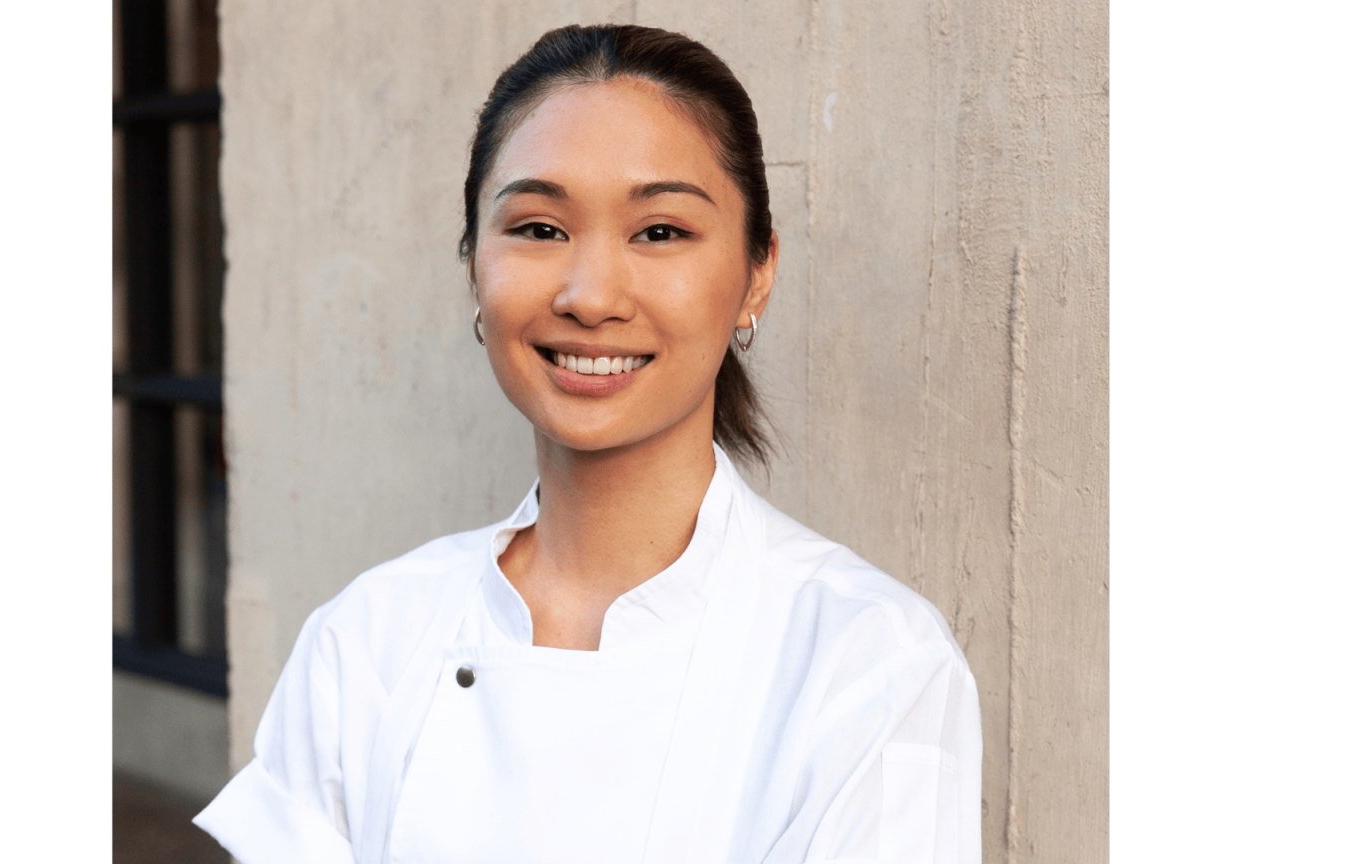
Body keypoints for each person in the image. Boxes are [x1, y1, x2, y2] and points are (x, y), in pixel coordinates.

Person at [195, 24, 981, 864]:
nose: (592, 295)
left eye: (660, 231)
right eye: (539, 229)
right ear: (473, 265)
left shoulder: (868, 662)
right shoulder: (368, 640)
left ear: (757, 272)